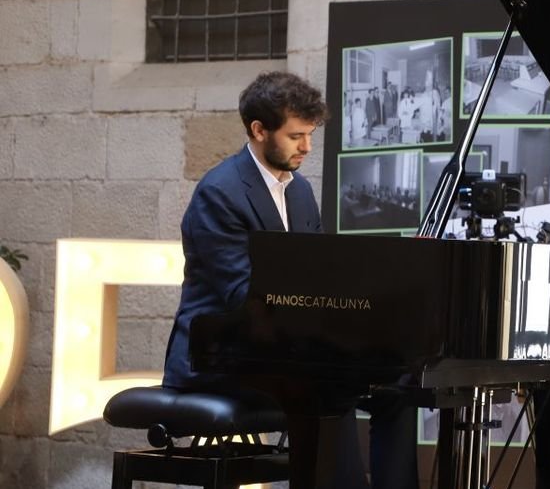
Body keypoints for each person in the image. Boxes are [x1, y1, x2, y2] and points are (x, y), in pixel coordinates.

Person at [162, 72, 417, 489]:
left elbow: (314, 280)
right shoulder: (219, 193)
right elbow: (242, 297)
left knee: (400, 382)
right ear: (259, 130)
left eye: (310, 134)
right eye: (296, 136)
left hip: (285, 348)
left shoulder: (298, 191)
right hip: (222, 356)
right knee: (333, 384)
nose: (308, 147)